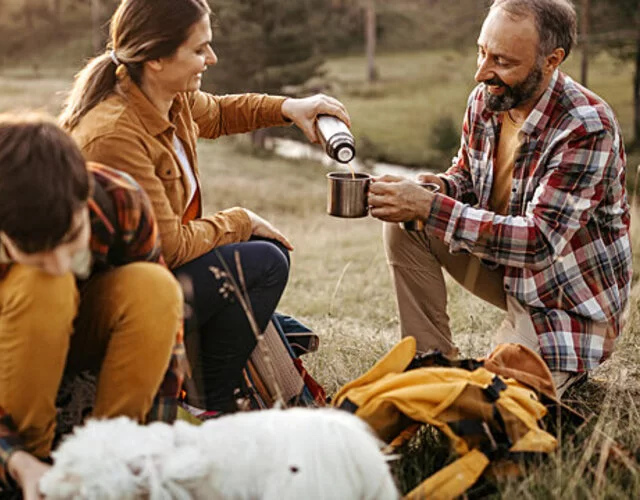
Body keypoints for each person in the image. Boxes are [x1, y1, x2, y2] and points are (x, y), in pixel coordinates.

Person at [60, 0, 350, 412]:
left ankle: (222, 377)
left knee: (256, 283)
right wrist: (241, 221)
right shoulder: (113, 135)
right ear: (157, 57)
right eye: (199, 50)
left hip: (155, 278)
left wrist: (288, 108)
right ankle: (210, 401)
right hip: (117, 309)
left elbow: (216, 114)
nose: (211, 59)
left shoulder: (165, 95)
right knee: (264, 263)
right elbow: (170, 246)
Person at [0, 112, 186, 499]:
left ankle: (108, 459)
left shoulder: (122, 198)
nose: (61, 265)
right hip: (3, 362)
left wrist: (157, 435)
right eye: (36, 254)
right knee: (45, 286)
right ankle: (39, 469)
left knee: (158, 287)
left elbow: (166, 333)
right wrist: (18, 462)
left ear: (84, 195)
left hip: (81, 338)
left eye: (73, 237)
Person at [367, 0, 631, 395]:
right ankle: (428, 364)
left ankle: (560, 370)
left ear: (551, 60)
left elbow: (539, 243)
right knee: (408, 224)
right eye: (482, 51)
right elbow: (469, 177)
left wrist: (432, 206)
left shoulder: (586, 126)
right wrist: (440, 188)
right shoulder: (489, 99)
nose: (482, 72)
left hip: (565, 300)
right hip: (506, 270)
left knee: (497, 402)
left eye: (503, 61)